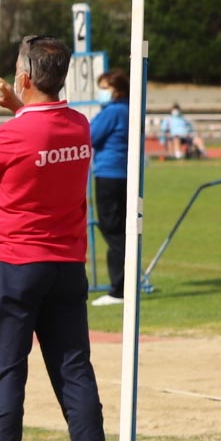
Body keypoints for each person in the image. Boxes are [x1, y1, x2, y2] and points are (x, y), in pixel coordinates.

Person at [0, 35, 113, 441]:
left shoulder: (12, 135)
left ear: (24, 76)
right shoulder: (79, 125)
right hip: (66, 263)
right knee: (74, 369)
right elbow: (41, 132)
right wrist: (17, 104)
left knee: (4, 367)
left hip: (15, 262)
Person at [89, 69, 130, 306]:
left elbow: (90, 135)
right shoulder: (127, 110)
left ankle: (119, 289)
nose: (101, 92)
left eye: (105, 88)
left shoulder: (112, 112)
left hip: (109, 173)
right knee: (120, 229)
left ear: (117, 90)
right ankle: (125, 284)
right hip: (123, 174)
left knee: (112, 230)